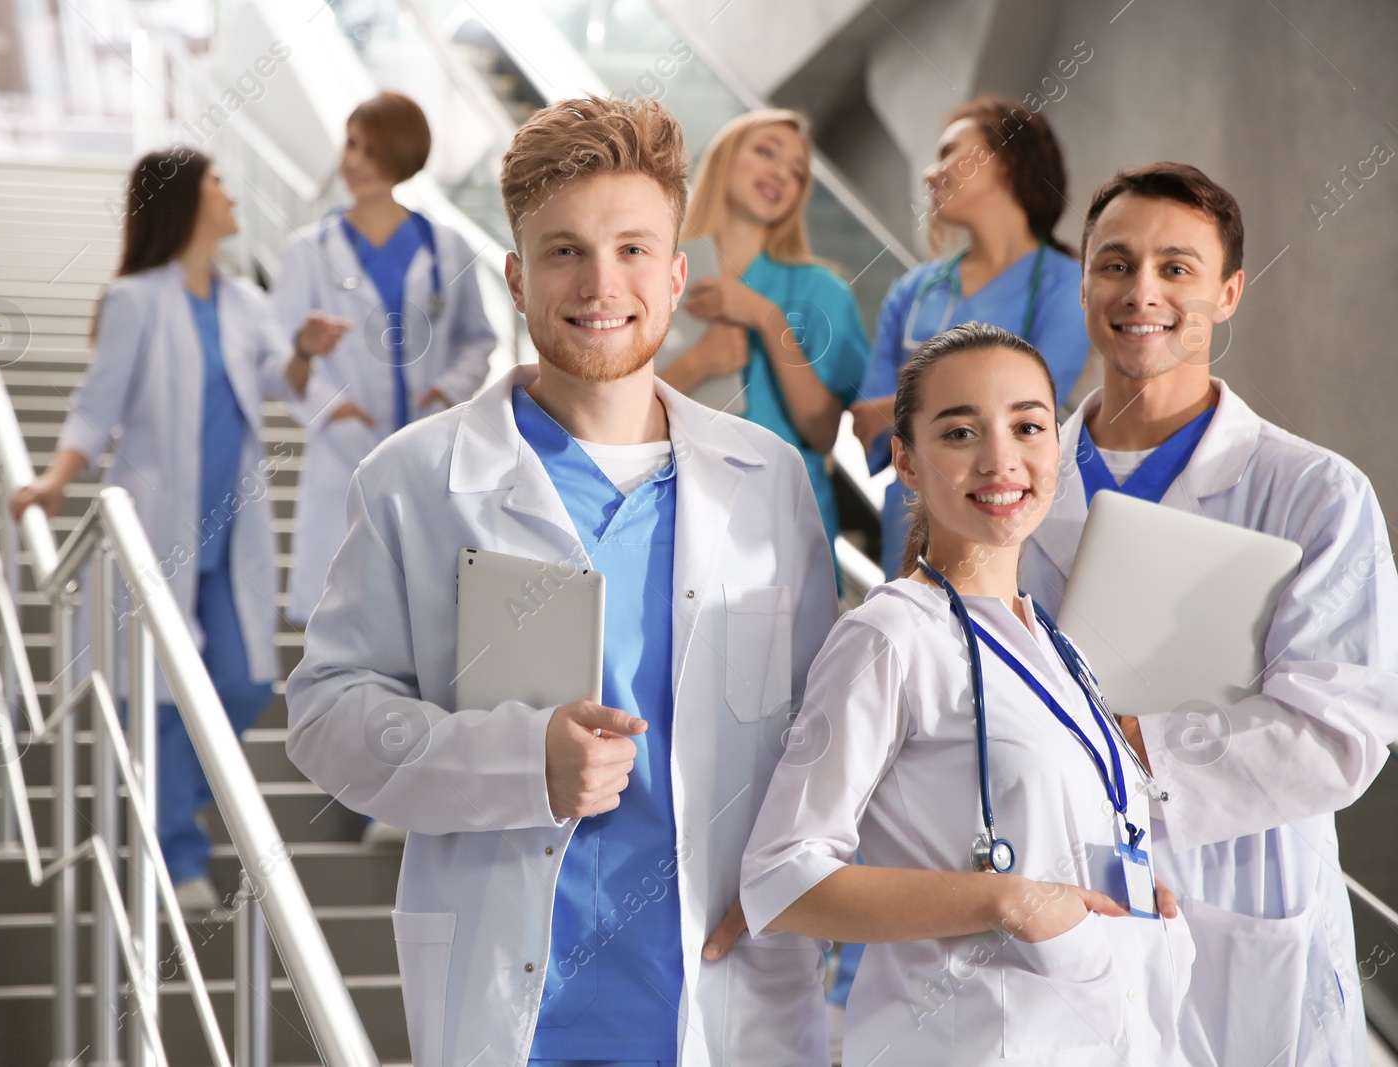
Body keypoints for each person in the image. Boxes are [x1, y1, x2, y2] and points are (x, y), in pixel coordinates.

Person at [284, 96, 837, 1066]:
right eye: (564, 250)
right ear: (515, 275)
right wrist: (515, 761)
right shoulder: (416, 479)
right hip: (517, 1008)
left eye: (631, 249)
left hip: (721, 989)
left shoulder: (768, 482)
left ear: (675, 275)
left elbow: (824, 730)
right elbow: (325, 714)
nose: (600, 282)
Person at [1022, 162, 1398, 1066]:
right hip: (1051, 896)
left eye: (1176, 268)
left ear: (1227, 294)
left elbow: (1341, 731)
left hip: (1243, 900)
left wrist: (1129, 743)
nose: (1140, 290)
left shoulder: (1313, 493)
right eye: (1114, 264)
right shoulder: (1016, 480)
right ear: (1083, 283)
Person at [743, 322, 1194, 1066]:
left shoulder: (1056, 644)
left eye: (1028, 426)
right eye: (960, 432)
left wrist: (1133, 893)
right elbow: (783, 877)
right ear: (907, 461)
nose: (1001, 459)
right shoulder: (889, 636)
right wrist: (1003, 901)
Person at [11, 148, 339, 914]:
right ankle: (175, 849)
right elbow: (97, 405)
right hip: (160, 530)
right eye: (218, 182)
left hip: (232, 536)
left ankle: (167, 809)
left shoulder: (244, 301)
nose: (230, 193)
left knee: (248, 680)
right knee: (159, 696)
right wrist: (58, 479)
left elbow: (280, 388)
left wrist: (302, 353)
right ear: (186, 199)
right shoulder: (135, 299)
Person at [274, 91, 495, 626]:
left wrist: (446, 389)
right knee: (341, 616)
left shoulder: (448, 248)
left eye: (371, 149)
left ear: (402, 156)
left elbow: (478, 339)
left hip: (430, 443)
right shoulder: (307, 251)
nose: (353, 161)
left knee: (424, 616)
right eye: (350, 145)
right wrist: (332, 405)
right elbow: (282, 360)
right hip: (344, 447)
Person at [851, 96, 1089, 574]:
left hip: (1007, 517)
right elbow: (864, 420)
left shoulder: (1066, 285)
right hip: (909, 525)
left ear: (1004, 163)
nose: (928, 173)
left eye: (948, 152)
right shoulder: (914, 290)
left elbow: (1029, 406)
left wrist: (917, 392)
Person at [657, 109, 871, 571]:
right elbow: (617, 409)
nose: (781, 173)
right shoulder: (656, 271)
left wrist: (766, 318)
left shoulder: (821, 292)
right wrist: (698, 364)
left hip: (780, 529)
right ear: (723, 158)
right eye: (766, 152)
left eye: (797, 172)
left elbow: (821, 430)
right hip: (672, 510)